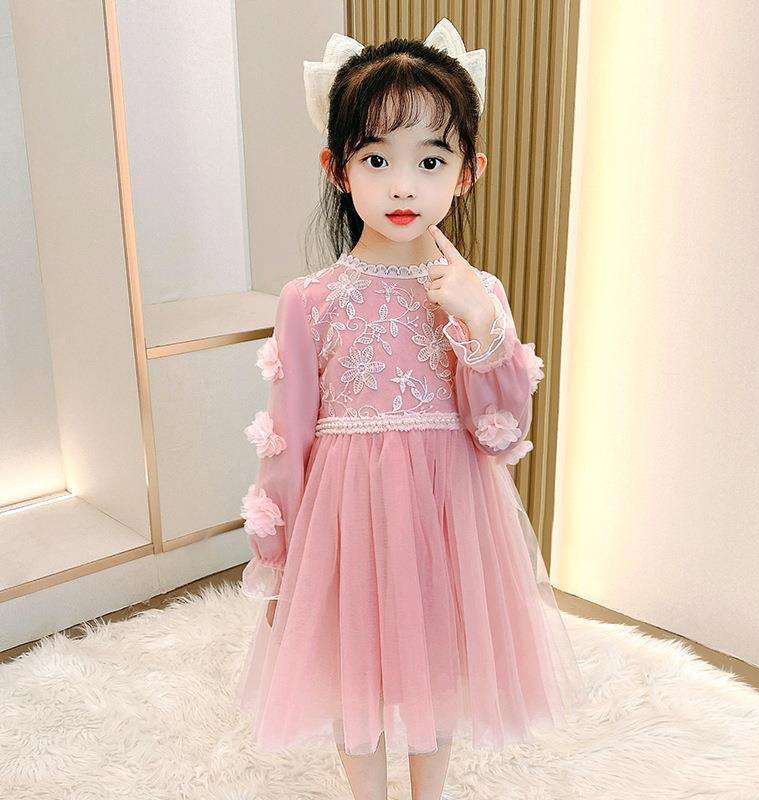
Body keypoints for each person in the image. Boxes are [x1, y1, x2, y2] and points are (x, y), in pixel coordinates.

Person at [235, 18, 588, 800]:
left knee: (441, 663)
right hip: (347, 517)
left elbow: (502, 434)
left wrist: (482, 326)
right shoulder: (312, 299)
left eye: (431, 160)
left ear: (467, 172)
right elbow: (285, 439)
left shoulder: (479, 292)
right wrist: (277, 560)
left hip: (450, 510)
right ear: (337, 169)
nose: (403, 186)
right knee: (351, 671)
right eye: (376, 158)